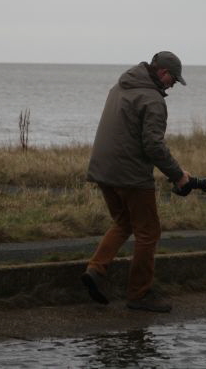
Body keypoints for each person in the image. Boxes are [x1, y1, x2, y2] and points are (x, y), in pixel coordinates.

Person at [81, 51, 191, 313]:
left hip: (103, 170)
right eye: (173, 80)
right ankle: (139, 294)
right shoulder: (153, 100)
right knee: (148, 232)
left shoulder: (119, 86)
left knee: (124, 222)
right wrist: (178, 175)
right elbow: (153, 145)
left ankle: (96, 270)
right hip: (130, 175)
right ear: (163, 72)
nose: (172, 85)